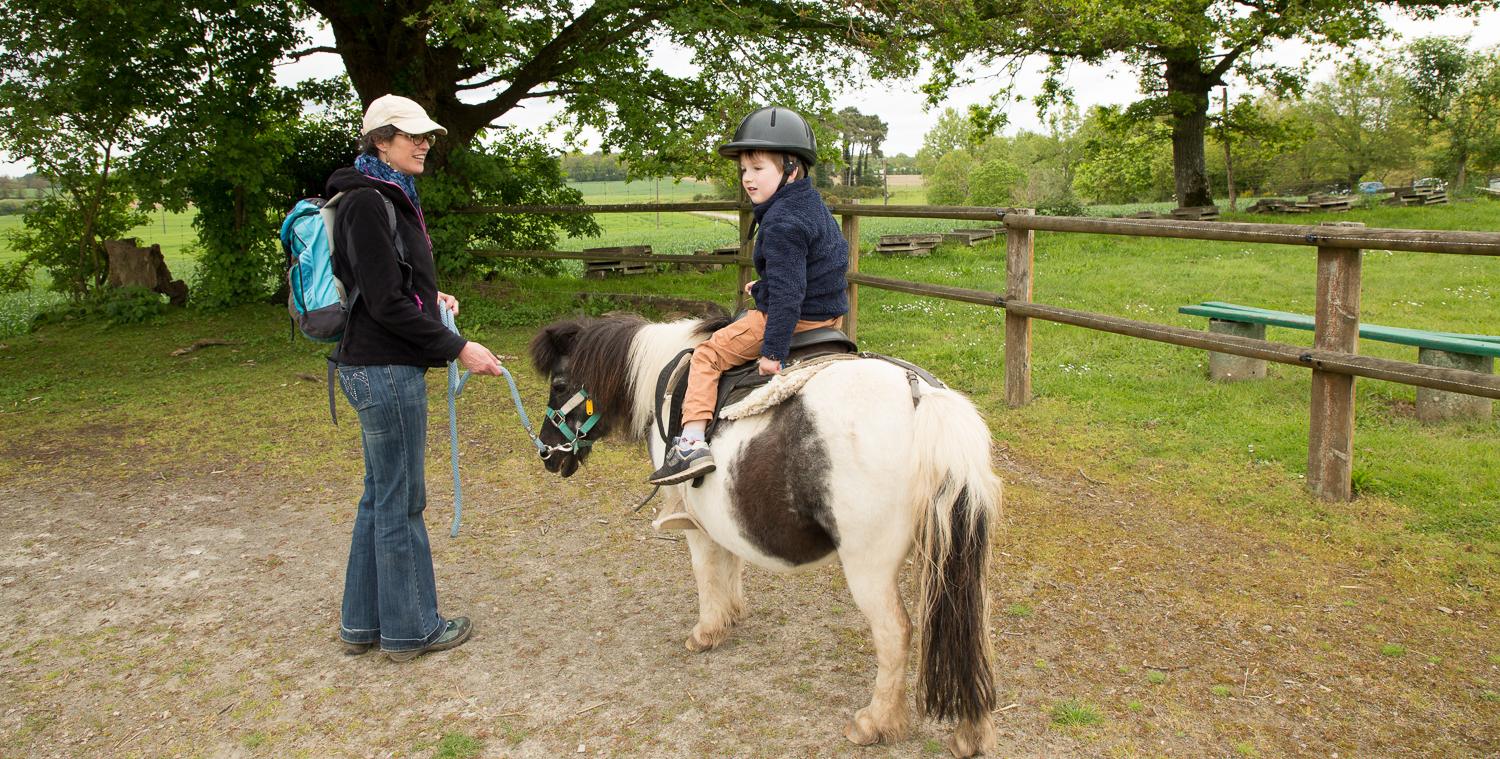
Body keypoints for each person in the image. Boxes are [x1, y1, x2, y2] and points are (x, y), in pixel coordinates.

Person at [328, 94, 504, 661]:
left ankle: (362, 625)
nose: (424, 143)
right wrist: (458, 346)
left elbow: (391, 287)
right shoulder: (365, 201)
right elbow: (383, 303)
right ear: (381, 141)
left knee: (380, 496)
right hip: (384, 371)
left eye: (427, 134)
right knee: (401, 501)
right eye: (411, 136)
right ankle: (411, 630)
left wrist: (431, 298)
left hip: (375, 365)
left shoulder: (383, 194)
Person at [648, 106, 849, 493]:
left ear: (791, 167)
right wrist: (763, 286)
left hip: (794, 316)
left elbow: (790, 295)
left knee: (706, 355)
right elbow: (816, 265)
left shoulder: (782, 222)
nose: (747, 178)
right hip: (829, 317)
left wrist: (772, 351)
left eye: (758, 168)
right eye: (744, 170)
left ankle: (690, 443)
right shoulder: (810, 205)